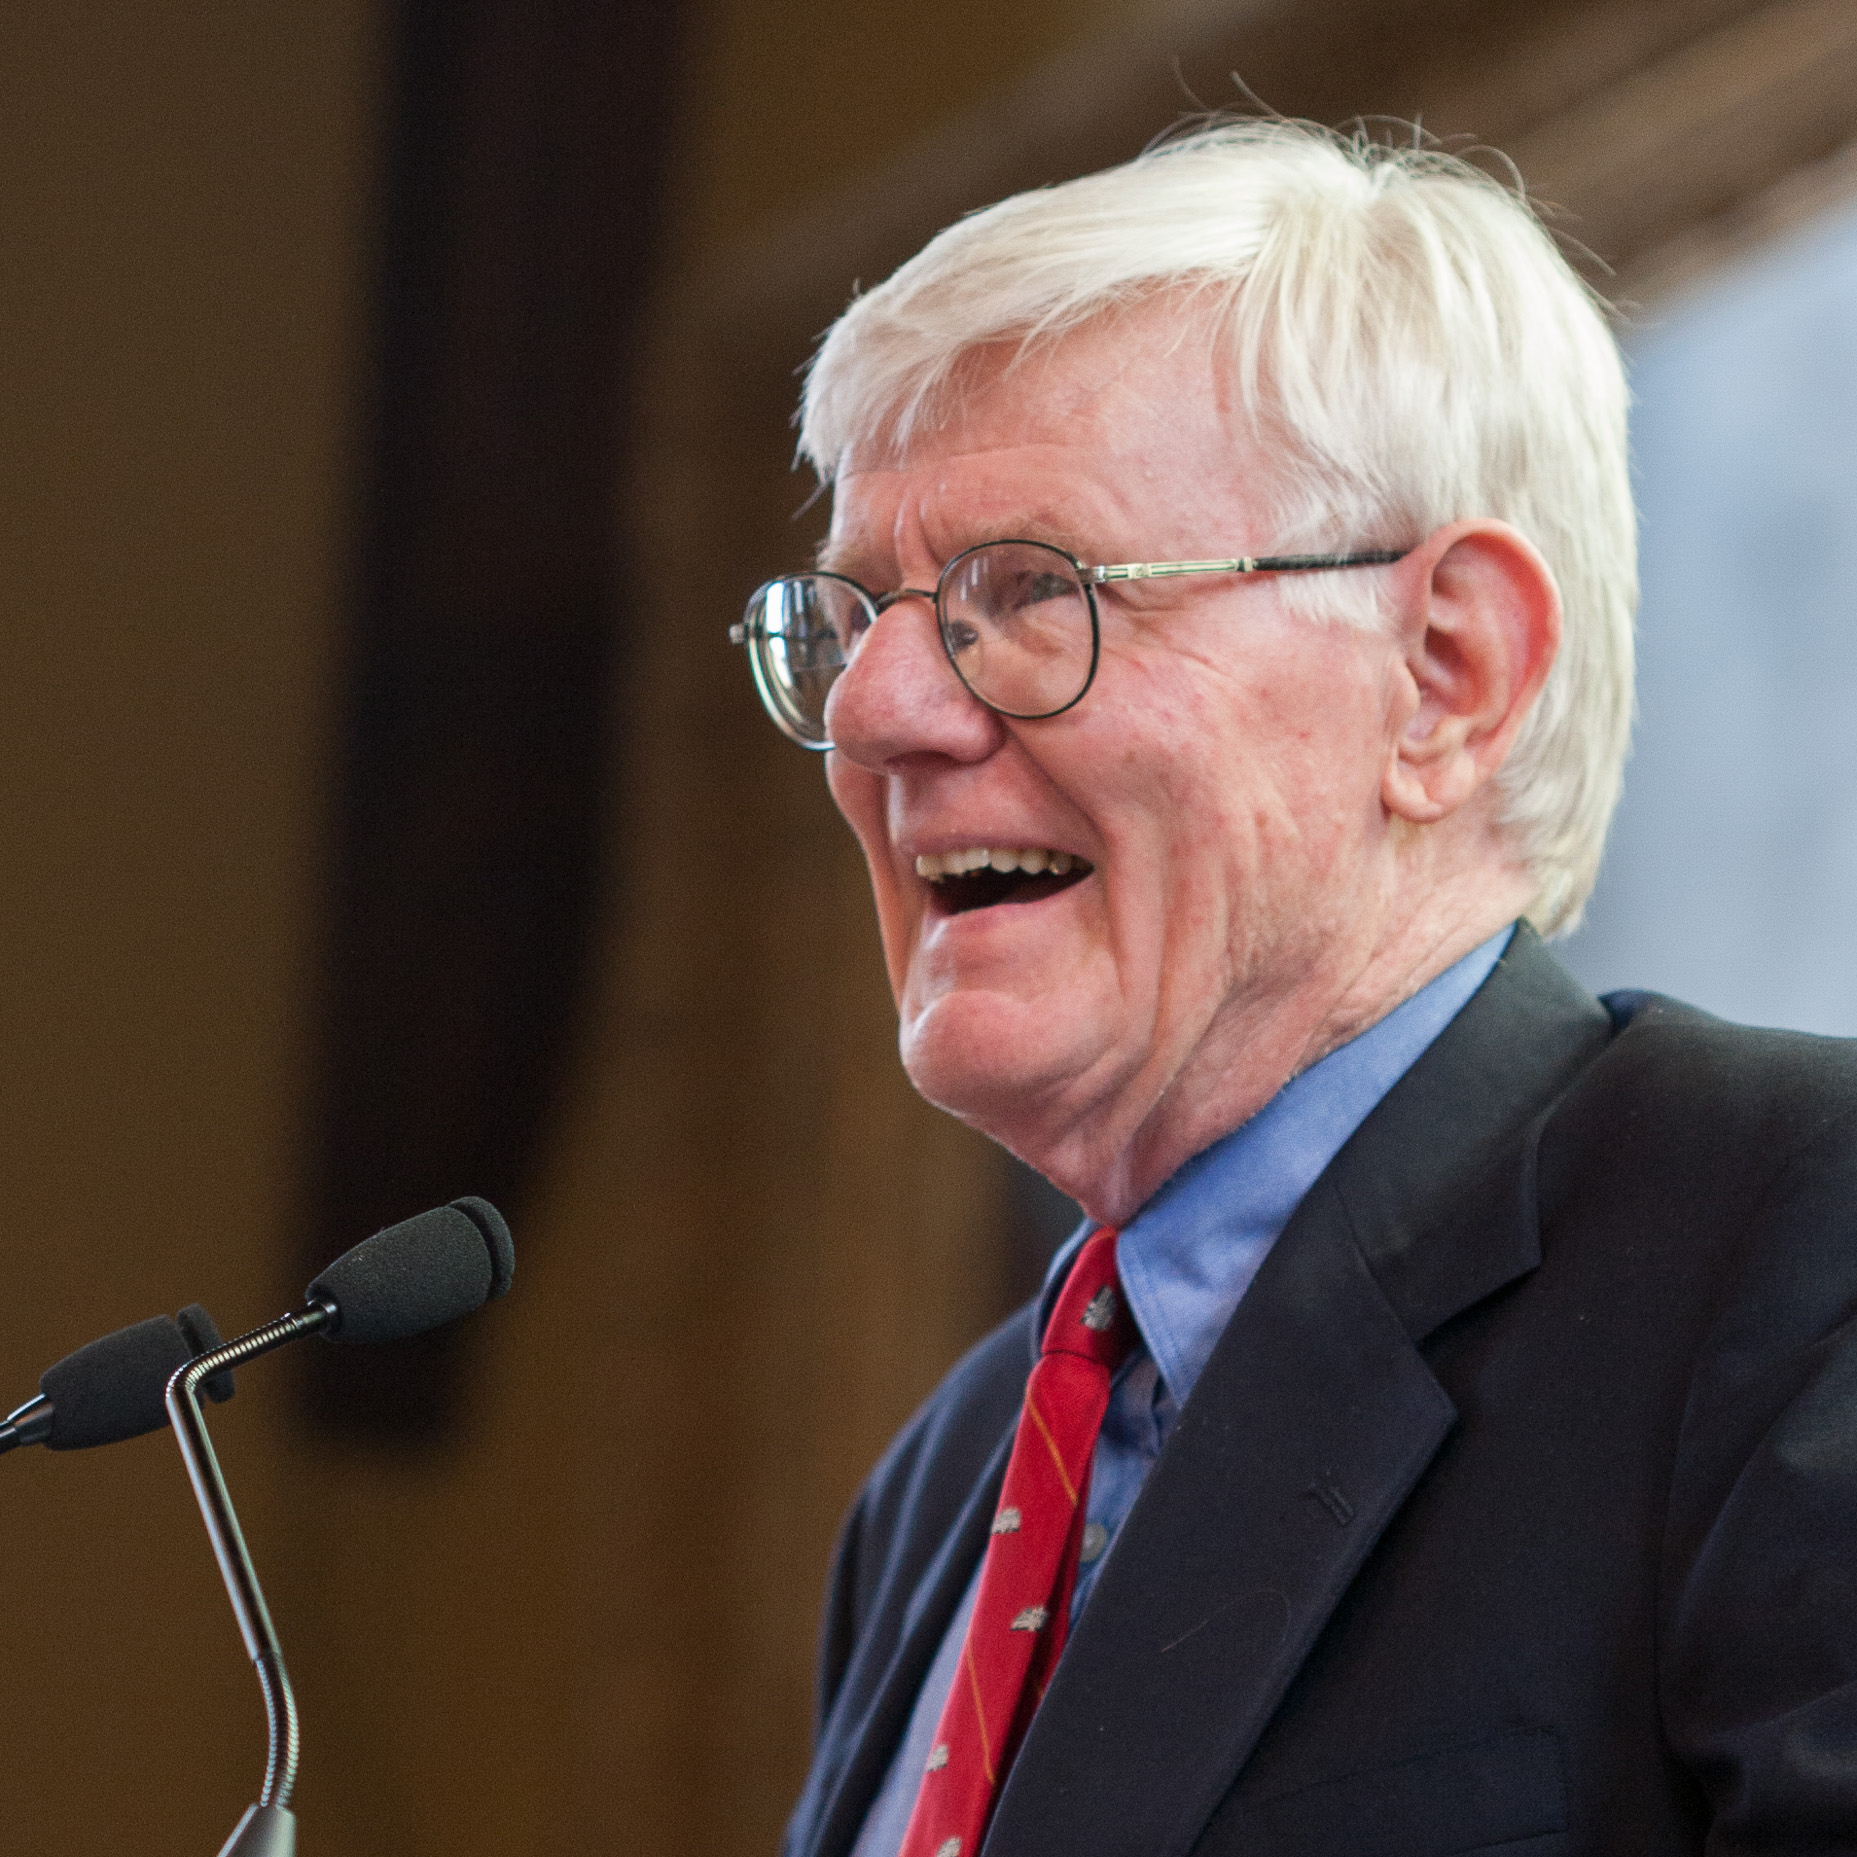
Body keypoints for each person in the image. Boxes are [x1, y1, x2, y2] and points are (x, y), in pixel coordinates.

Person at [729, 120, 1857, 1856]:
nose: (879, 715)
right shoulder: (946, 1486)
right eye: (853, 615)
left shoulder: (1792, 1239)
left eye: (1026, 589)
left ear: (1444, 676)